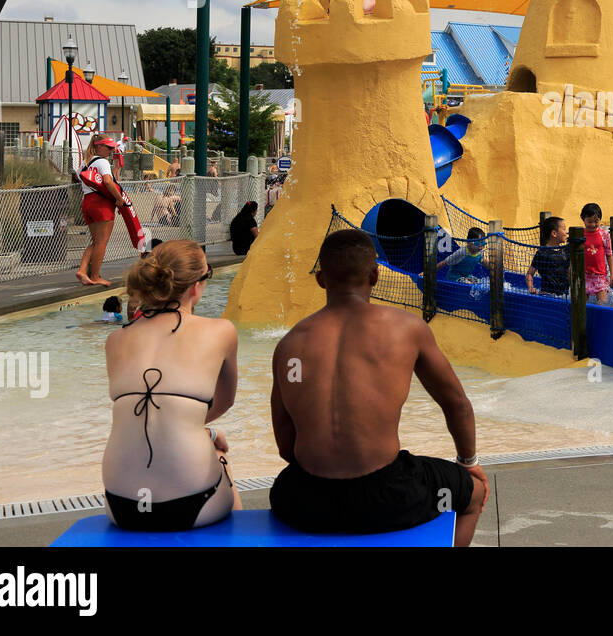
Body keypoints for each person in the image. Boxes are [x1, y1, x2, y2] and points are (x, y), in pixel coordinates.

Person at [268, 229, 488, 544]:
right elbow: (458, 404)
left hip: (303, 501)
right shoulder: (407, 329)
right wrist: (469, 463)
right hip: (389, 497)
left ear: (320, 279)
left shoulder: (290, 345)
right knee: (474, 495)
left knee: (295, 488)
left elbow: (285, 445)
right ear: (375, 275)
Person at [103, 240, 239, 530]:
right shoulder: (221, 331)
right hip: (194, 503)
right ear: (195, 286)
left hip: (121, 506)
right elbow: (225, 401)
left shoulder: (115, 340)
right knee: (219, 454)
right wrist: (207, 431)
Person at [77, 134, 127, 287]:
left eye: (113, 147)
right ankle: (95, 276)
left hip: (87, 203)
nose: (112, 150)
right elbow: (107, 181)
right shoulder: (102, 162)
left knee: (95, 242)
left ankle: (82, 270)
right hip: (102, 205)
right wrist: (119, 199)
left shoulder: (84, 163)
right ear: (99, 146)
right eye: (109, 147)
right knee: (101, 243)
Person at [580, 202, 613, 304]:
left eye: (596, 221)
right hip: (584, 275)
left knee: (602, 303)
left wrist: (612, 274)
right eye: (589, 221)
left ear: (600, 219)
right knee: (582, 304)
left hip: (600, 276)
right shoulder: (580, 235)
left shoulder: (604, 235)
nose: (593, 224)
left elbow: (609, 255)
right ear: (583, 219)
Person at [526, 216, 569, 295]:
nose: (566, 232)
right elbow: (529, 274)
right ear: (554, 233)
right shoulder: (542, 253)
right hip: (547, 295)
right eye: (564, 229)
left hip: (565, 295)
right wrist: (531, 287)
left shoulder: (566, 250)